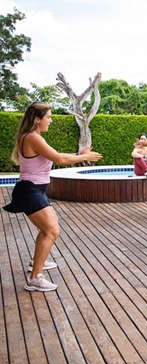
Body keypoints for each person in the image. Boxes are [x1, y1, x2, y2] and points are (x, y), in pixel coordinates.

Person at [3, 102, 103, 292]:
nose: (51, 120)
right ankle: (35, 279)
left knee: (47, 229)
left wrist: (78, 154)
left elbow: (56, 155)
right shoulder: (32, 137)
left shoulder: (33, 137)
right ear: (37, 119)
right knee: (52, 230)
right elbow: (59, 159)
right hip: (30, 190)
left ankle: (36, 263)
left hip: (33, 190)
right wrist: (83, 158)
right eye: (48, 117)